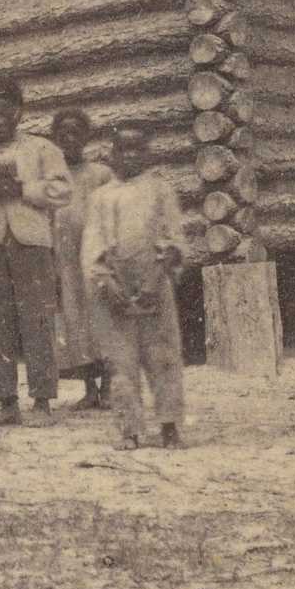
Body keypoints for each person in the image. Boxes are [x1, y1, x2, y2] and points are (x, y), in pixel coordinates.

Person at [0, 77, 73, 425]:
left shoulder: (41, 150)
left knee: (37, 319)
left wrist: (23, 189)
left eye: (7, 113)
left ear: (19, 113)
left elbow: (62, 190)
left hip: (31, 244)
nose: (0, 121)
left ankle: (42, 401)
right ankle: (6, 401)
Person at [83, 121, 192, 451]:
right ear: (112, 154)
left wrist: (157, 277)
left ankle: (170, 424)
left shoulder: (160, 191)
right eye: (122, 149)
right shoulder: (101, 197)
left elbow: (174, 239)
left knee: (163, 356)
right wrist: (105, 281)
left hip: (154, 285)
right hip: (115, 289)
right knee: (121, 361)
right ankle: (129, 428)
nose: (129, 156)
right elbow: (92, 244)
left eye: (137, 149)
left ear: (148, 153)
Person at [51, 109, 118, 411]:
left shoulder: (100, 174)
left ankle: (108, 387)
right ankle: (89, 388)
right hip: (65, 259)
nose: (69, 139)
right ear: (55, 139)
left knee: (101, 318)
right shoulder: (52, 176)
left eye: (75, 133)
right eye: (62, 134)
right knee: (75, 321)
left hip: (95, 255)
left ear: (86, 137)